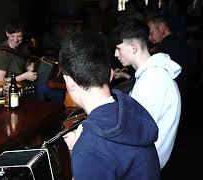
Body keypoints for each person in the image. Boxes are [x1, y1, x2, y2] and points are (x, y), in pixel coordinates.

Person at [59, 32, 160, 180]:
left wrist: (82, 147)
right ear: (111, 74)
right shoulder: (131, 109)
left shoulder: (88, 150)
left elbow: (99, 151)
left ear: (70, 82)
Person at [112, 17, 182, 169]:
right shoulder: (152, 75)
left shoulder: (153, 81)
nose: (115, 55)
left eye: (118, 49)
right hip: (144, 160)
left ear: (133, 48)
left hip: (143, 166)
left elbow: (132, 133)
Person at [0, 19, 64, 103]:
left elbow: (27, 66)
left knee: (57, 91)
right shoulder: (1, 53)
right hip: (13, 90)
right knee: (42, 90)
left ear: (23, 35)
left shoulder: (23, 47)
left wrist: (36, 67)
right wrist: (24, 76)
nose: (16, 40)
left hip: (26, 84)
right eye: (12, 36)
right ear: (7, 34)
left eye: (19, 36)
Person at [146, 14, 195, 93]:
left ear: (162, 28)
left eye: (151, 33)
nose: (149, 37)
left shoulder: (166, 48)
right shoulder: (178, 41)